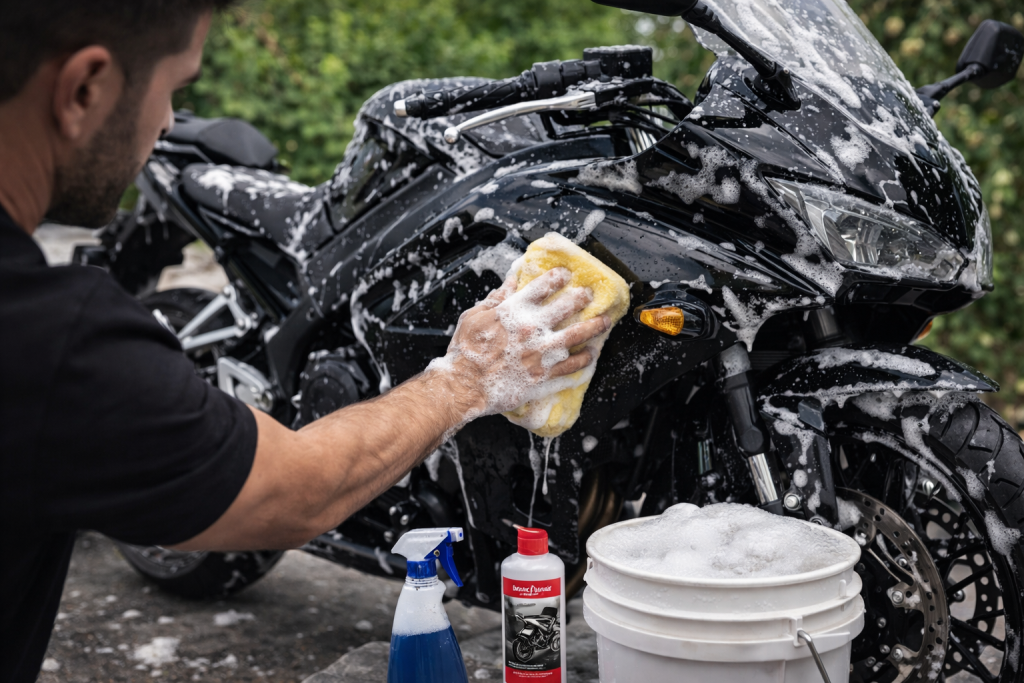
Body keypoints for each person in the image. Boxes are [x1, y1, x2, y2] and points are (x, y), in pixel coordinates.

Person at [0, 2, 609, 680]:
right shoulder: (50, 337)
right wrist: (467, 377)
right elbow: (289, 491)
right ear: (85, 89)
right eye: (172, 87)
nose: (170, 119)